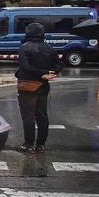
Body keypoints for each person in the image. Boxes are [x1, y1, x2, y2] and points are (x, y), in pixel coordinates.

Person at [14, 22, 62, 153]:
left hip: (27, 85)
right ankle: (41, 144)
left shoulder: (25, 47)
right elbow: (59, 65)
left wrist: (41, 73)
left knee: (28, 116)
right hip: (43, 85)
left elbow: (25, 66)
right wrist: (50, 73)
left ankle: (29, 144)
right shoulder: (49, 48)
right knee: (42, 115)